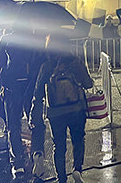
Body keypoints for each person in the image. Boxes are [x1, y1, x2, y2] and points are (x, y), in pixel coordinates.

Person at [32, 35, 94, 183]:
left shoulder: (47, 66)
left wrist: (35, 112)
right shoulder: (75, 62)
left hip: (55, 113)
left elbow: (38, 91)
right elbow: (88, 84)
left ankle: (61, 178)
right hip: (76, 109)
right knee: (78, 140)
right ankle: (77, 169)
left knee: (58, 146)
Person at [0, 22, 45, 179]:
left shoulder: (6, 39)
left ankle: (18, 163)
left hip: (11, 89)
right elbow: (41, 64)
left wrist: (1, 81)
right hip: (30, 88)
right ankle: (37, 153)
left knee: (13, 126)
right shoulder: (33, 40)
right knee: (36, 122)